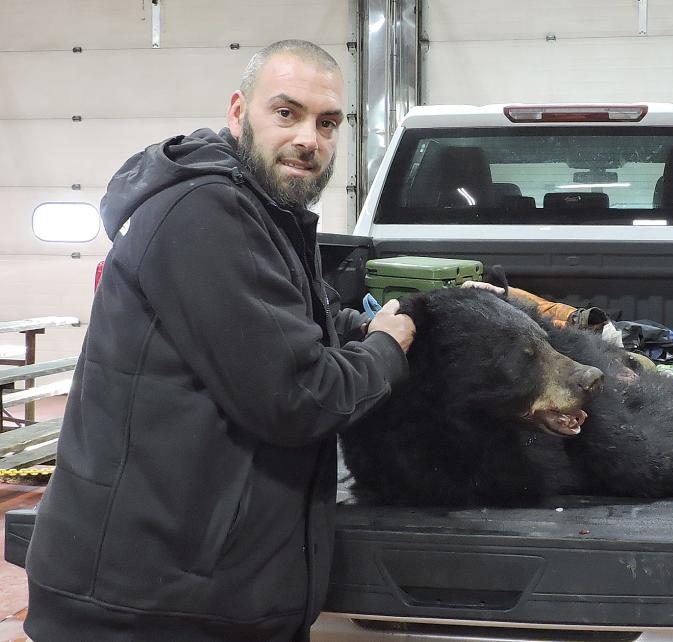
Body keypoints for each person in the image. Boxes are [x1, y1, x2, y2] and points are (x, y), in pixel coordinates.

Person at [25, 40, 415, 641]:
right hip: (148, 606)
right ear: (238, 112)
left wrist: (367, 329)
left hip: (198, 589)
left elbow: (298, 329)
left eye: (327, 122)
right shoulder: (205, 212)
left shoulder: (265, 211)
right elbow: (298, 396)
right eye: (286, 113)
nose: (309, 138)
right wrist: (387, 351)